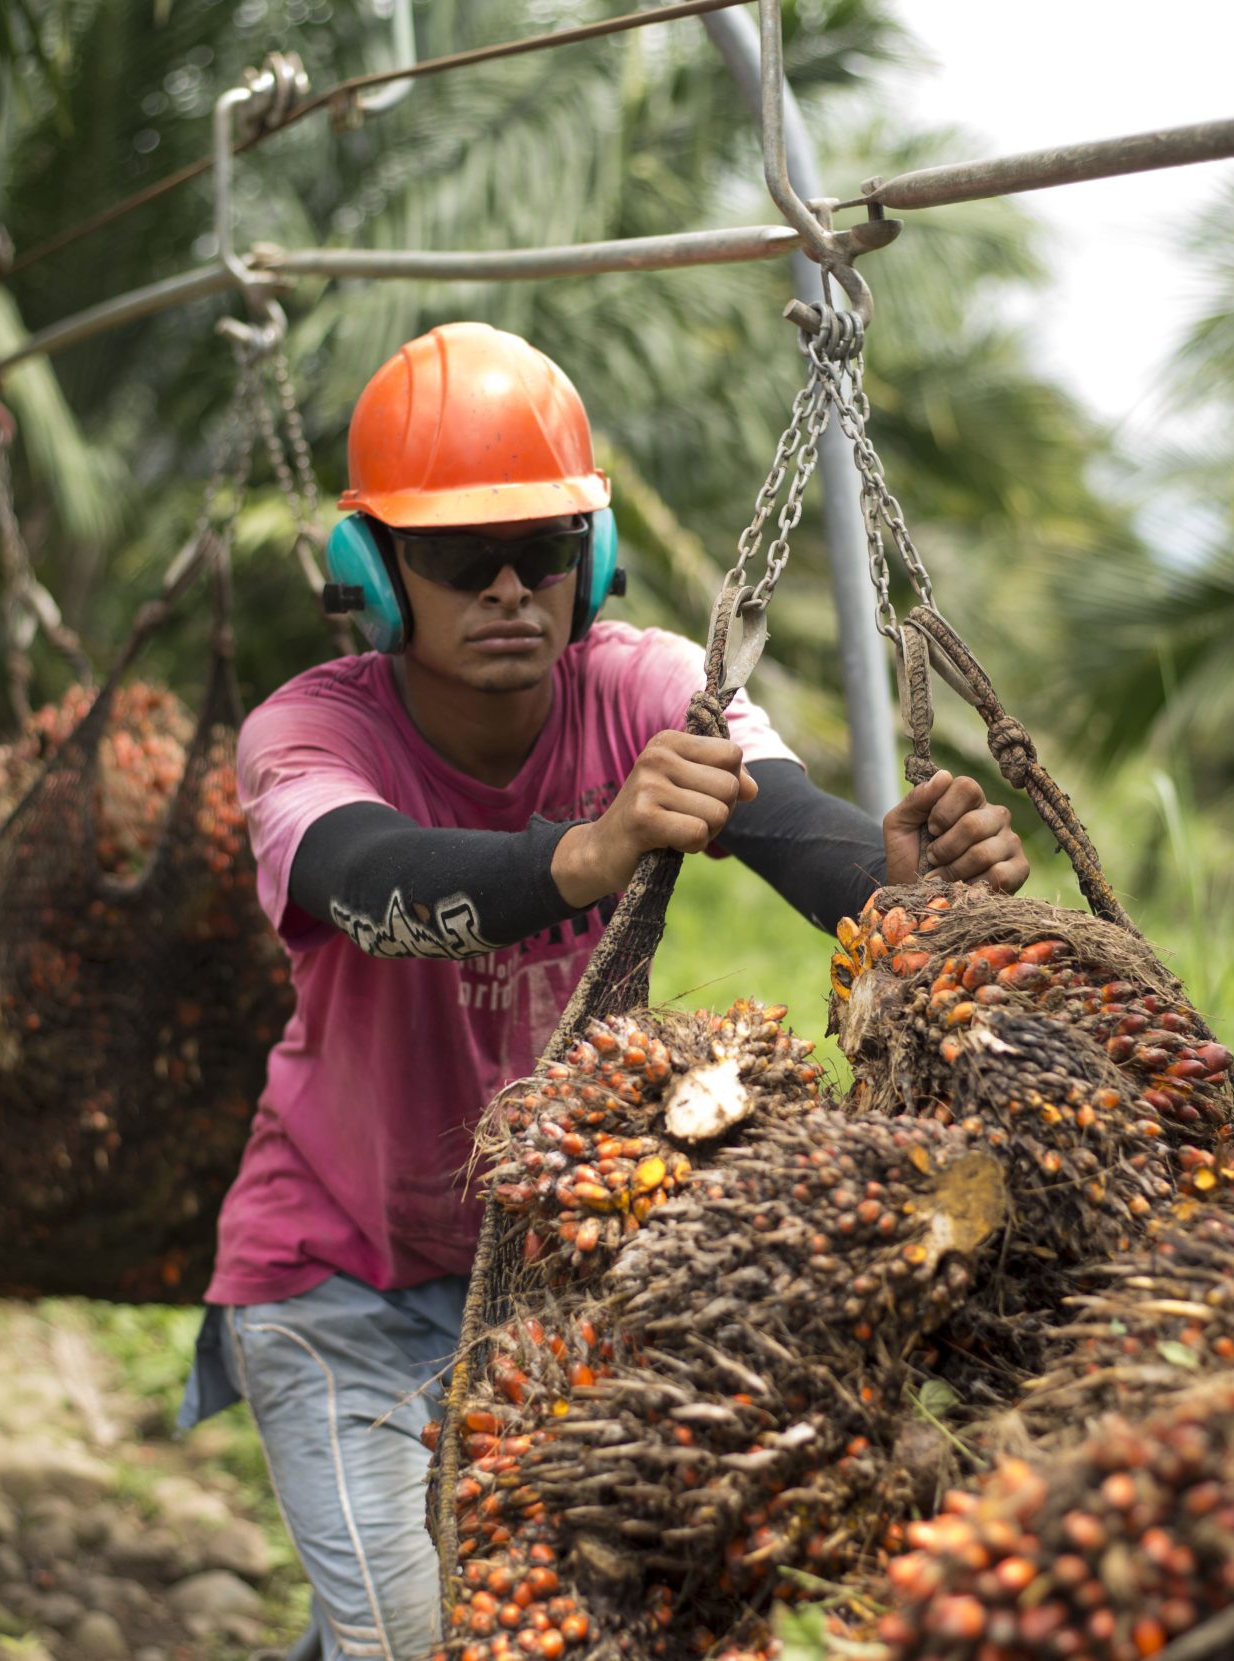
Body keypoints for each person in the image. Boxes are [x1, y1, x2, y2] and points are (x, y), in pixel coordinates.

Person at [177, 322, 1029, 1661]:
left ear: (597, 557)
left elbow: (790, 824)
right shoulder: (308, 732)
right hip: (336, 1270)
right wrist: (588, 850)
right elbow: (368, 879)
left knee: (539, 1623)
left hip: (558, 1271)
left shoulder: (643, 687)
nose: (510, 587)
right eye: (463, 558)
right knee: (409, 1634)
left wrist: (912, 883)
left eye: (547, 550)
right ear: (378, 572)